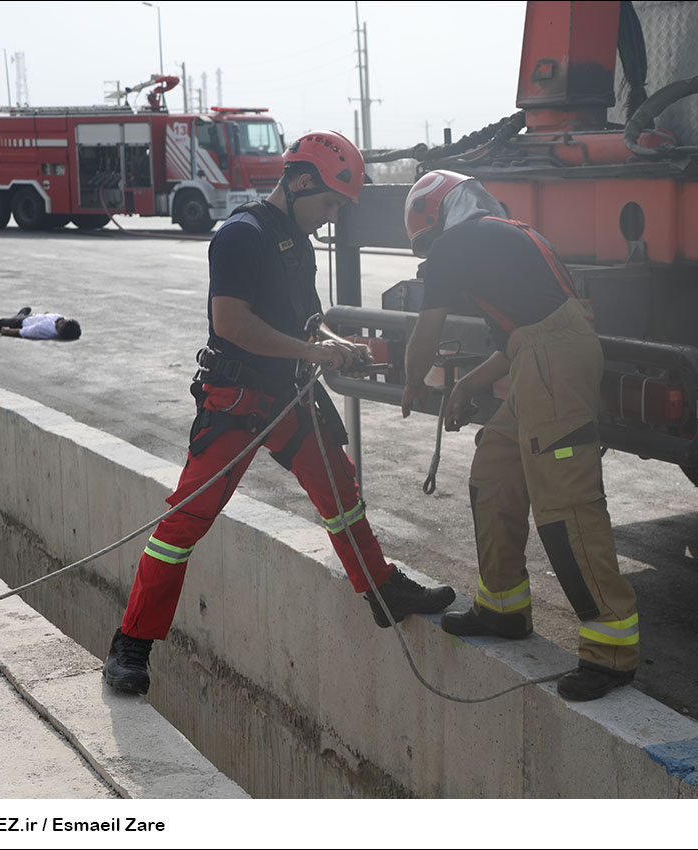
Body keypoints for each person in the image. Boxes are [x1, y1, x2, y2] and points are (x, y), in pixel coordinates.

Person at [102, 131, 455, 695]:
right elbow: (232, 324)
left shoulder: (297, 239)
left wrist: (338, 343)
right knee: (184, 523)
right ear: (300, 182)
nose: (332, 215)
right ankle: (132, 642)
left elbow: (306, 320)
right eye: (331, 203)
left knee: (340, 490)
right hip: (237, 400)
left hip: (288, 396)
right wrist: (317, 354)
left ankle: (381, 590)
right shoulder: (241, 237)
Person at [399, 170, 638, 702]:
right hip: (544, 356)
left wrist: (414, 382)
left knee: (565, 505)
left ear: (434, 220)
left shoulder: (456, 243)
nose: (428, 254)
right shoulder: (505, 236)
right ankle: (502, 606)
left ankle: (611, 649)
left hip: (552, 361)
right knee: (495, 472)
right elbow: (514, 343)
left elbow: (428, 328)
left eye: (424, 243)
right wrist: (466, 386)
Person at [0, 307, 82, 340]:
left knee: (1, 322)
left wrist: (8, 331)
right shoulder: (61, 320)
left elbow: (25, 332)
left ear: (60, 331)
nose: (62, 320)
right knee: (23, 314)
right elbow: (50, 316)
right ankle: (21, 314)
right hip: (34, 317)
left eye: (62, 323)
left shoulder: (43, 329)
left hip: (21, 323)